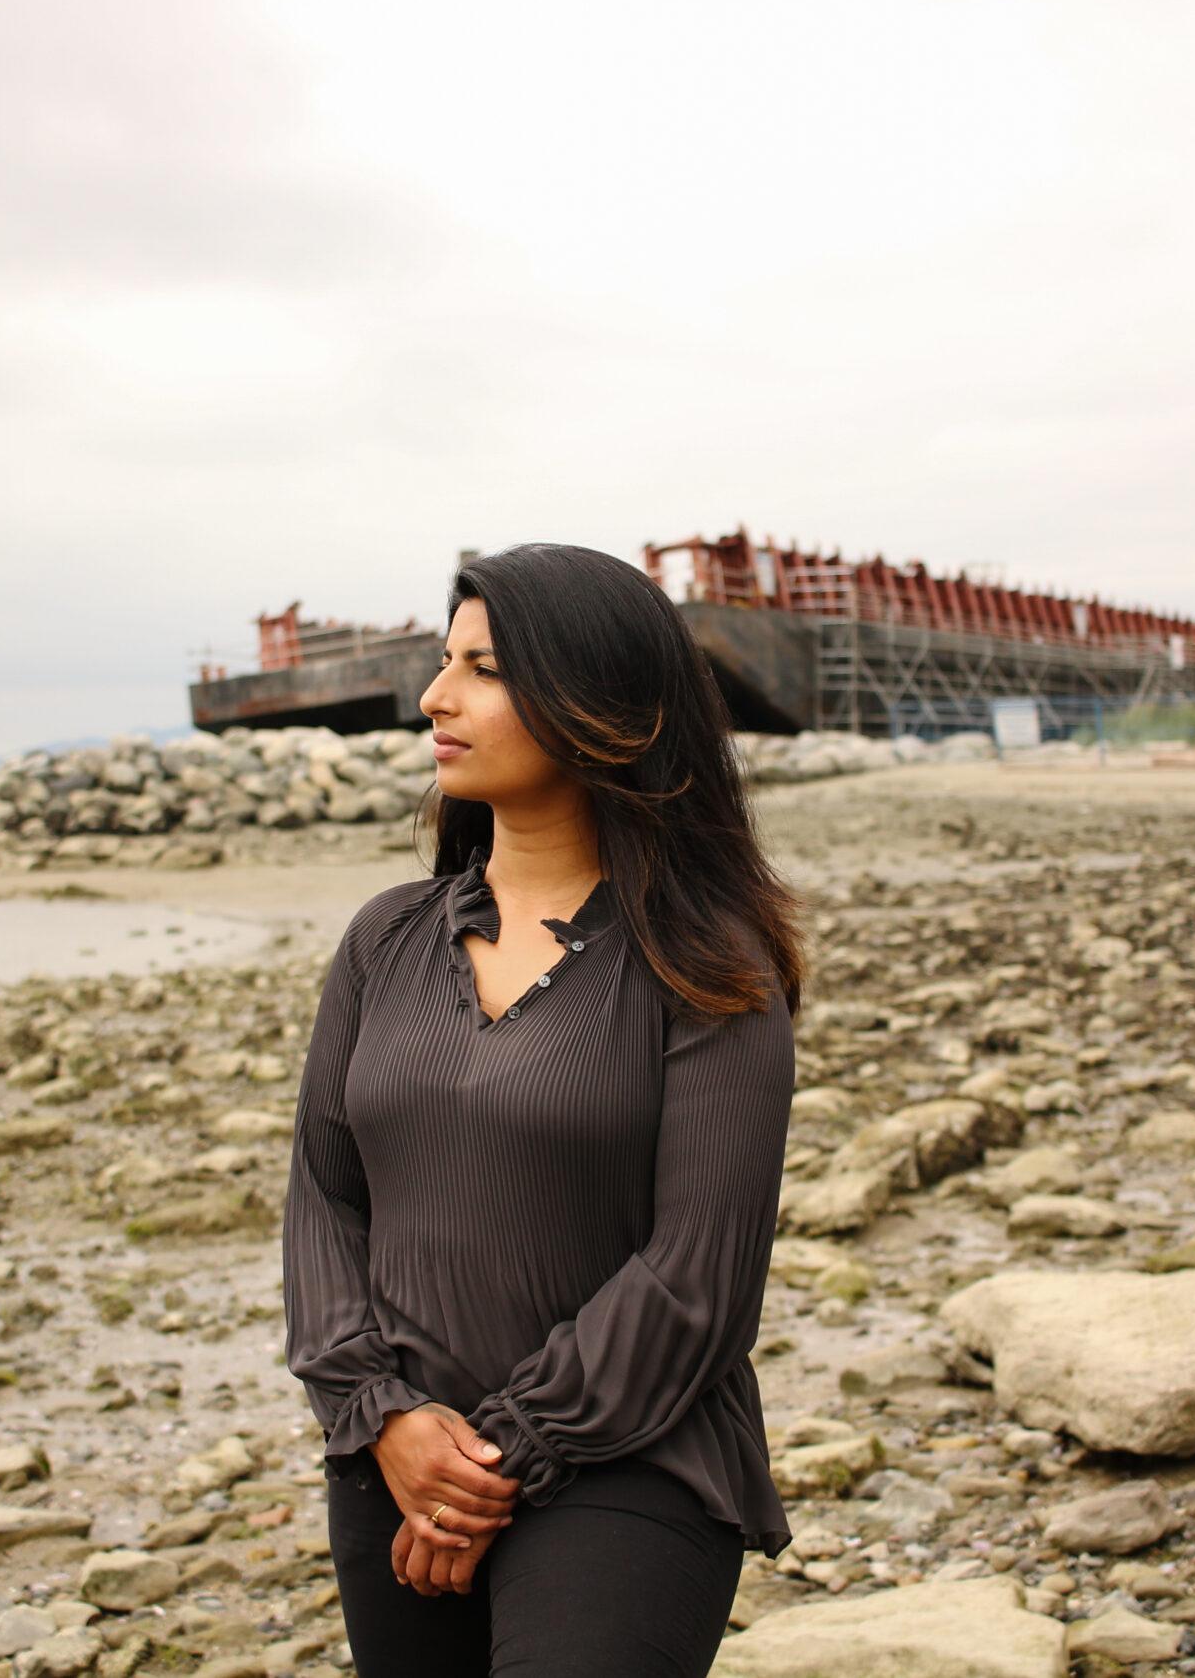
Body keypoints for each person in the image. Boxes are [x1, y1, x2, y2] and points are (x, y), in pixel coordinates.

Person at [283, 543, 806, 1677]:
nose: (434, 696)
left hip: (631, 1460)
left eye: (481, 668)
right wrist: (381, 1415)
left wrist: (501, 1452)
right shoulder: (385, 939)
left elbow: (699, 1278)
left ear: (596, 704)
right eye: (443, 662)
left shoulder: (709, 969)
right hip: (400, 1461)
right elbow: (324, 1200)